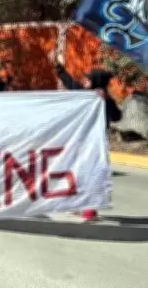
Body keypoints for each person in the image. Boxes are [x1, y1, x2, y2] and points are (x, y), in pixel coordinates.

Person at [51, 51, 122, 222]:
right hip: (80, 142)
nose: (84, 80)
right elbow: (71, 84)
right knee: (79, 172)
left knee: (92, 174)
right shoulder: (85, 94)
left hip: (95, 144)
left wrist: (106, 101)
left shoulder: (104, 99)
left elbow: (117, 117)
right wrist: (58, 67)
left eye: (88, 79)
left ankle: (90, 210)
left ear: (97, 82)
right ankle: (79, 204)